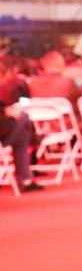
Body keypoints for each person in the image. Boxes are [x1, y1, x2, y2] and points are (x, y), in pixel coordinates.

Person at [0, 54, 43, 193]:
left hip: (6, 129)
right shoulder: (8, 88)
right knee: (23, 119)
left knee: (22, 134)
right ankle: (25, 179)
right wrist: (6, 113)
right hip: (3, 135)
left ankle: (26, 179)